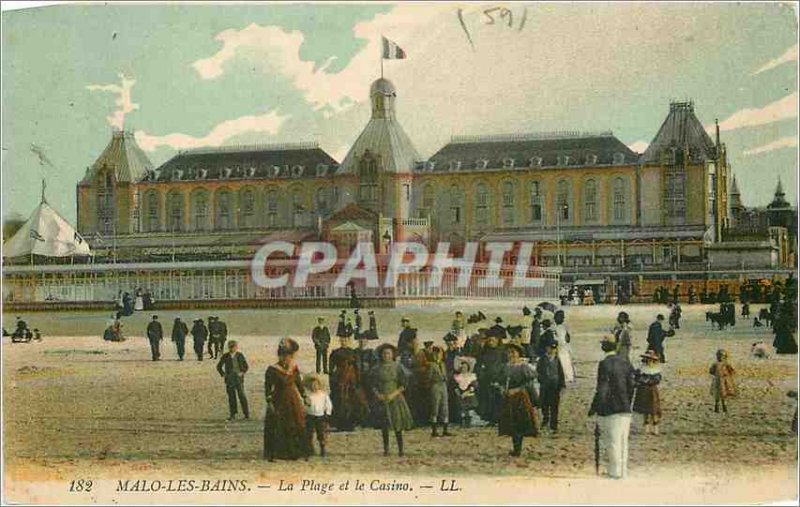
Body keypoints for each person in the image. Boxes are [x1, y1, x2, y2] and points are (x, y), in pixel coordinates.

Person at [589, 335, 635, 480]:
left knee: (612, 440)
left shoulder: (604, 364)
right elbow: (631, 386)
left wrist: (595, 407)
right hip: (625, 406)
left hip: (610, 407)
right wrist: (627, 401)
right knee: (623, 440)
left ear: (603, 347)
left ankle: (615, 472)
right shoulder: (625, 362)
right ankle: (623, 471)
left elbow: (602, 388)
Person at [263, 338, 307, 461]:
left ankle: (295, 452)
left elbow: (299, 383)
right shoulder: (272, 369)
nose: (286, 359)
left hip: (293, 399)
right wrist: (269, 401)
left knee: (296, 423)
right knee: (279, 425)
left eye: (289, 356)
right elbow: (267, 386)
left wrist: (304, 396)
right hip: (279, 399)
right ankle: (278, 453)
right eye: (283, 356)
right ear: (279, 356)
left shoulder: (294, 368)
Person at [372, 343, 414, 456]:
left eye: (389, 353)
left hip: (395, 398)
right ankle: (386, 449)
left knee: (397, 425)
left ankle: (401, 450)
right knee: (384, 426)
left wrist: (394, 394)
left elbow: (404, 384)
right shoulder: (376, 369)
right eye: (384, 354)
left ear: (392, 355)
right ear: (381, 355)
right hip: (382, 399)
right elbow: (373, 385)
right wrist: (378, 395)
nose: (386, 356)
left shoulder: (398, 367)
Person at [498, 343, 539, 457]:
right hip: (508, 398)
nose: (510, 354)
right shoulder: (505, 367)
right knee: (511, 423)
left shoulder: (523, 366)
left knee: (520, 422)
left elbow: (529, 382)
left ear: (518, 354)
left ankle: (517, 449)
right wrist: (502, 389)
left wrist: (517, 390)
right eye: (509, 352)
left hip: (520, 397)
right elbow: (500, 380)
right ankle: (516, 448)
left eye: (513, 352)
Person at [328, 334, 366, 431]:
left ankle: (351, 424)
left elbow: (357, 367)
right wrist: (333, 380)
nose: (344, 341)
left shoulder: (352, 352)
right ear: (340, 341)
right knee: (340, 400)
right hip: (340, 377)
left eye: (346, 340)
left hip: (351, 379)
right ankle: (340, 424)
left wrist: (358, 380)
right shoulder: (335, 352)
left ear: (349, 340)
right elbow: (331, 368)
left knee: (352, 400)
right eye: (342, 340)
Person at [216, 340, 250, 421]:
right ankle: (233, 414)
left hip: (238, 379)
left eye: (234, 347)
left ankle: (246, 414)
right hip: (230, 379)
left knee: (242, 396)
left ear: (236, 347)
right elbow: (219, 366)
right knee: (231, 397)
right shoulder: (225, 356)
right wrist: (223, 374)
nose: (232, 349)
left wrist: (242, 372)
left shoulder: (240, 355)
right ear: (229, 347)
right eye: (231, 347)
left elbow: (246, 366)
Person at [476, 335, 506, 425]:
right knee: (487, 400)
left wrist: (500, 378)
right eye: (489, 341)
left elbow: (504, 366)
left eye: (493, 340)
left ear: (497, 341)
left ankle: (499, 418)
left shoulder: (502, 353)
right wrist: (481, 375)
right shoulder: (483, 353)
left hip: (498, 379)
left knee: (498, 399)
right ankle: (489, 419)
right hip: (485, 380)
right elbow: (478, 366)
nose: (491, 342)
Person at [537, 342, 566, 433]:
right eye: (550, 348)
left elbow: (561, 373)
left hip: (555, 386)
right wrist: (541, 379)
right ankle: (545, 419)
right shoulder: (542, 360)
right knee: (544, 404)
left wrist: (562, 385)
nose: (552, 350)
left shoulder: (557, 359)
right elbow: (538, 371)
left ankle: (554, 425)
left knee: (554, 406)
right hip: (545, 386)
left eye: (554, 349)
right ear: (547, 348)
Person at [633, 350, 663, 435]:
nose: (649, 361)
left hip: (652, 390)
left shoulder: (656, 370)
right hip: (643, 390)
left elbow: (657, 380)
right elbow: (636, 378)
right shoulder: (641, 369)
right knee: (645, 409)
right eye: (647, 359)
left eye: (650, 359)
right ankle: (646, 427)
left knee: (654, 409)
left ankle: (655, 427)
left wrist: (645, 381)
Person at [303, 373, 332, 458]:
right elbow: (305, 405)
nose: (314, 387)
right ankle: (308, 450)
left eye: (316, 385)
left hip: (320, 416)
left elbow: (328, 404)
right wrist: (306, 407)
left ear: (319, 385)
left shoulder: (323, 395)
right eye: (312, 385)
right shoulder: (309, 395)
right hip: (310, 416)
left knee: (321, 433)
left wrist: (327, 413)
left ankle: (322, 448)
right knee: (309, 433)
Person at [427, 346, 453, 437]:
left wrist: (446, 378)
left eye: (439, 354)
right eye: (436, 354)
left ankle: (445, 429)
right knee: (435, 407)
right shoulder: (432, 365)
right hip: (436, 385)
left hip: (443, 385)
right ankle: (434, 430)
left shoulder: (443, 364)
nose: (437, 355)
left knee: (444, 406)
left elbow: (445, 375)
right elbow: (429, 377)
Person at [453, 356, 479, 427]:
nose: (464, 369)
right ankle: (463, 421)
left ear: (468, 368)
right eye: (463, 367)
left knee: (469, 410)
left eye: (465, 367)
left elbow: (473, 386)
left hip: (469, 394)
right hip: (461, 395)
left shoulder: (471, 376)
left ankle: (469, 421)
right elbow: (455, 387)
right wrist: (459, 393)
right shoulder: (458, 377)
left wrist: (466, 392)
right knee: (462, 409)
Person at [709, 349, 737, 414]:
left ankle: (724, 408)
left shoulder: (726, 364)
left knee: (723, 395)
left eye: (722, 356)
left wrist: (726, 376)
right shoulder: (715, 364)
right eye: (719, 356)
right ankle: (717, 408)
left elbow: (732, 371)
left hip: (724, 381)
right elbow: (711, 371)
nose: (720, 358)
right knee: (718, 395)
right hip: (718, 381)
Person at [553, 311, 575, 383]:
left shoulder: (558, 328)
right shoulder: (564, 327)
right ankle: (569, 377)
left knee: (562, 361)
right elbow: (568, 338)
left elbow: (561, 340)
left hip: (561, 347)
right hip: (565, 347)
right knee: (567, 361)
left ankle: (565, 377)